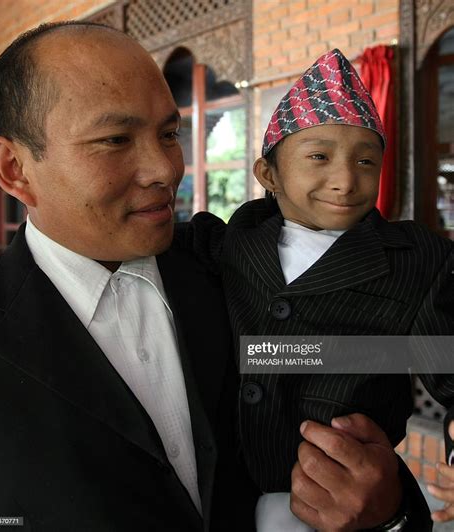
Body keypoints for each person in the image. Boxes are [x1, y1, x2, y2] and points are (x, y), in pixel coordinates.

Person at [0, 21, 259, 531]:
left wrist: (391, 506)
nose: (165, 170)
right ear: (15, 169)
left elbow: (337, 352)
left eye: (169, 134)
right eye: (114, 139)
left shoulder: (232, 270)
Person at [181, 49, 454, 530]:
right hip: (221, 489)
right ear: (269, 175)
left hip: (337, 492)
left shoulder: (412, 260)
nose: (346, 180)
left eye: (366, 160)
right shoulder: (230, 243)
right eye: (319, 157)